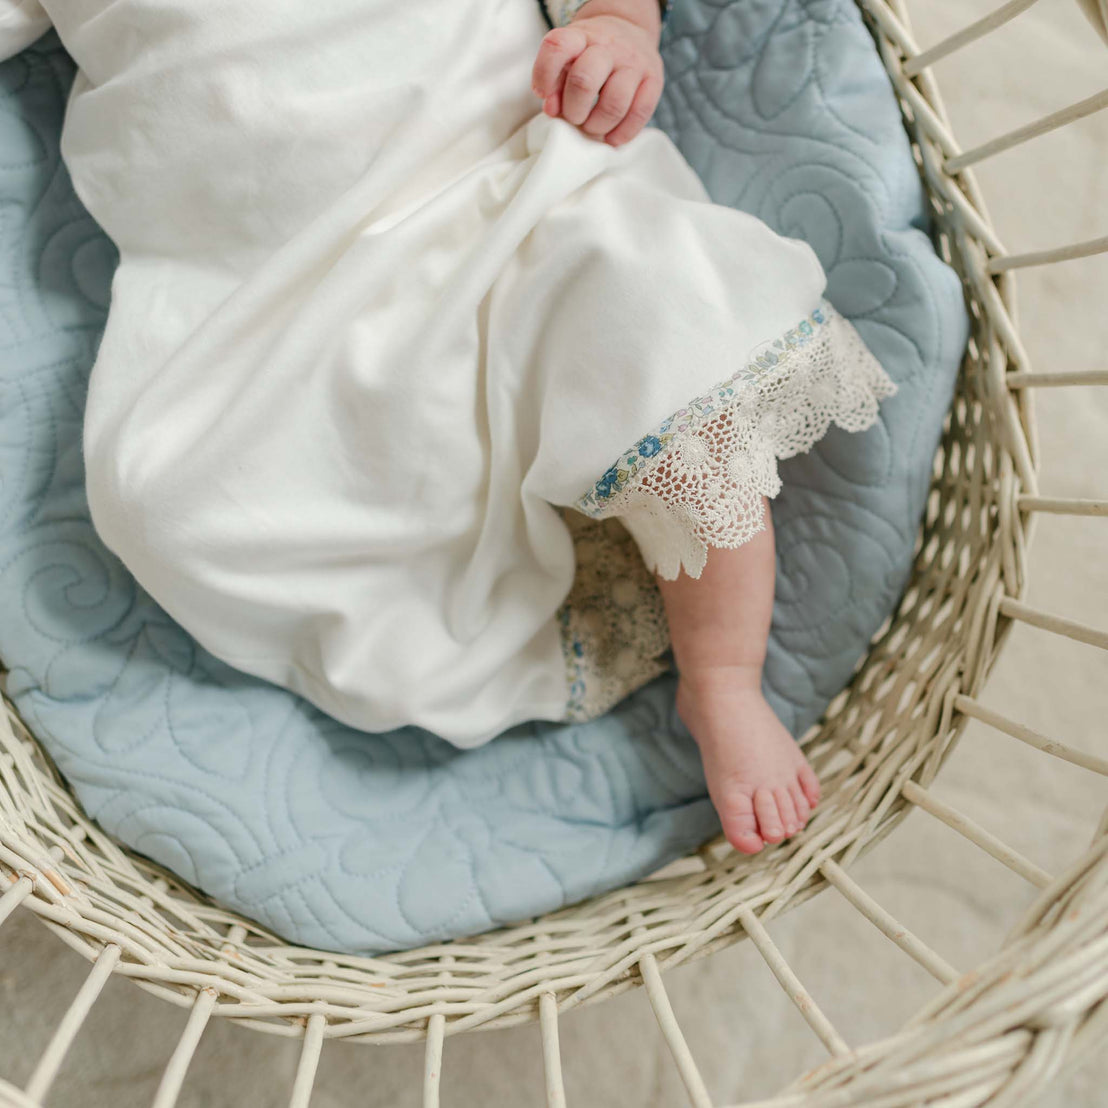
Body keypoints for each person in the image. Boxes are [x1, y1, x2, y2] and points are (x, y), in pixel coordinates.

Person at [13, 0, 896, 858]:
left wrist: (621, 26)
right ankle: (473, 589)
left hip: (511, 195)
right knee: (163, 499)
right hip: (268, 299)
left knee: (661, 314)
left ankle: (723, 677)